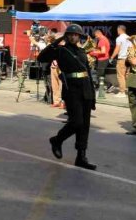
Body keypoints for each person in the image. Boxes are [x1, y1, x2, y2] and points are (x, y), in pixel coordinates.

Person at [38, 24, 97, 170]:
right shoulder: (60, 51)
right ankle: (57, 140)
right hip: (72, 90)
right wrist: (57, 41)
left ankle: (81, 157)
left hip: (86, 89)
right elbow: (41, 57)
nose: (73, 36)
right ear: (66, 36)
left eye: (76, 35)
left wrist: (93, 96)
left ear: (79, 37)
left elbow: (88, 73)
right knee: (76, 122)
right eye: (70, 34)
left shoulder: (82, 52)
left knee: (85, 125)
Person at [110, 25, 131, 94]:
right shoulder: (129, 38)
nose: (117, 31)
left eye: (117, 30)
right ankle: (128, 90)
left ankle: (122, 92)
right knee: (127, 75)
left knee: (120, 76)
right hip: (129, 59)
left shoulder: (119, 38)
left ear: (119, 30)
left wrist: (112, 57)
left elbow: (117, 49)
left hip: (122, 59)